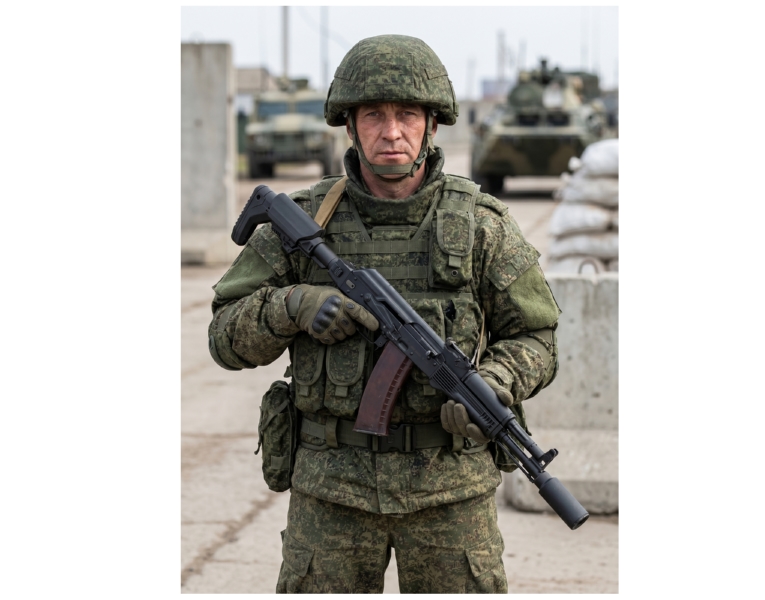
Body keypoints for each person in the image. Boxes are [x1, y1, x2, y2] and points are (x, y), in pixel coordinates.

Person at [208, 34, 561, 594]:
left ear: (432, 125)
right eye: (374, 115)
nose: (391, 132)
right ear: (350, 126)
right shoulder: (303, 221)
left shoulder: (480, 225)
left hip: (450, 495)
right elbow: (224, 338)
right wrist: (291, 306)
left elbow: (537, 336)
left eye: (407, 115)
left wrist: (496, 382)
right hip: (331, 492)